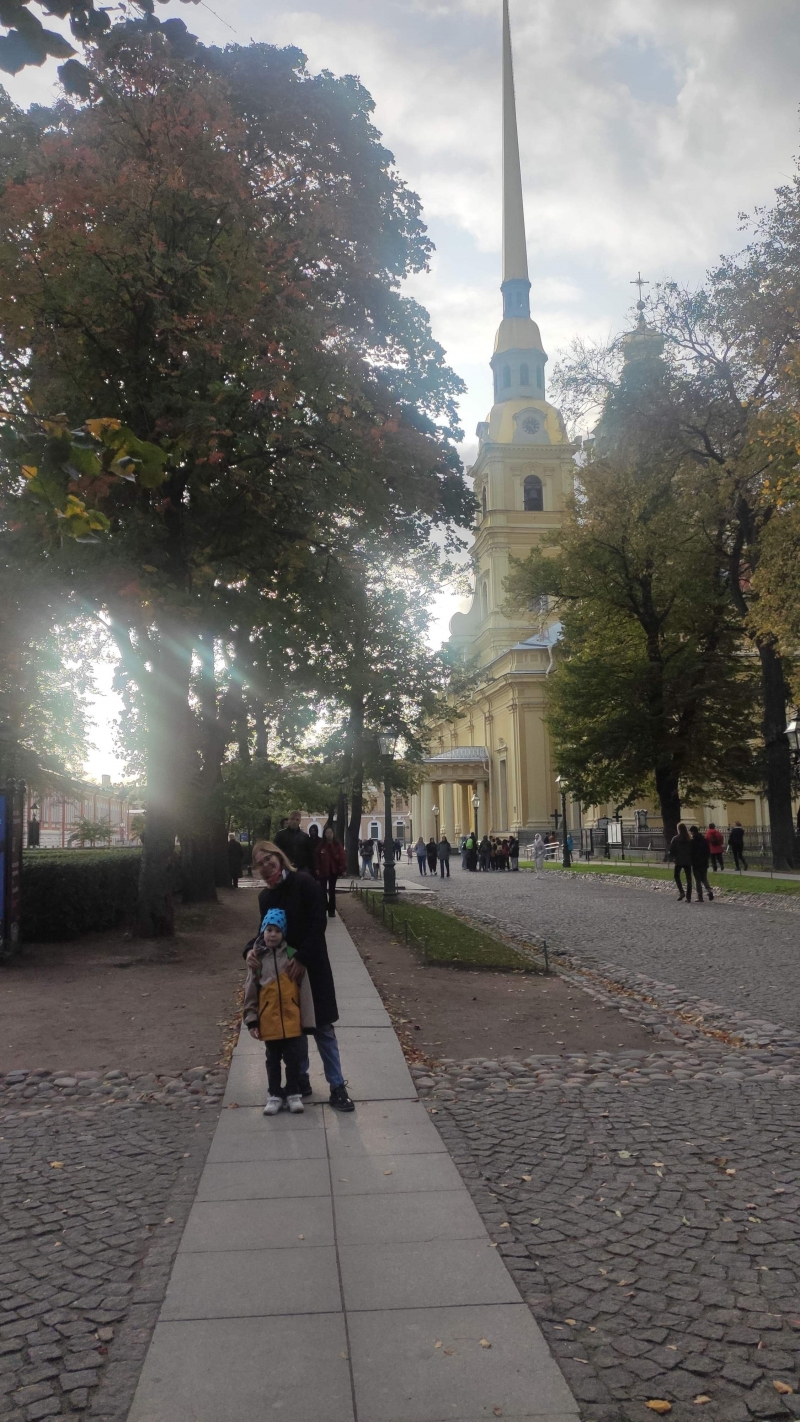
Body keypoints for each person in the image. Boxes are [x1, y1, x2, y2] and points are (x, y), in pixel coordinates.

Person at [246, 841, 354, 1112]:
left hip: (312, 965)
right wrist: (249, 949)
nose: (266, 865)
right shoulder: (265, 897)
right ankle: (301, 1079)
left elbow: (318, 923)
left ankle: (337, 1086)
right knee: (296, 1029)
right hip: (284, 974)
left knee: (323, 1028)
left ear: (278, 856)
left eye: (268, 858)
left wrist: (303, 957)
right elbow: (265, 932)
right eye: (260, 863)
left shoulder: (305, 883)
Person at [243, 907, 313, 1115]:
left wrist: (306, 1019)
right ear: (262, 931)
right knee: (272, 1060)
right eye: (269, 930)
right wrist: (252, 1020)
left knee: (293, 1060)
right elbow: (250, 991)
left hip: (292, 1020)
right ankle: (274, 1094)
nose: (272, 934)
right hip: (269, 1020)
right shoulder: (257, 960)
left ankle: (293, 1093)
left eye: (277, 931)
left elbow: (304, 990)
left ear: (283, 934)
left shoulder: (292, 956)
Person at [316, 825, 346, 919]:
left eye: (331, 833)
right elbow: (316, 857)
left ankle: (332, 910)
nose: (329, 835)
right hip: (323, 871)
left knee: (332, 891)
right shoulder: (321, 845)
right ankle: (324, 907)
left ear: (333, 834)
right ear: (324, 834)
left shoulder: (337, 845)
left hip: (333, 871)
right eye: (327, 833)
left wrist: (342, 868)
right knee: (323, 891)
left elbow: (342, 857)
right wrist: (317, 868)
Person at [275, 810, 314, 875]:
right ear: (288, 820)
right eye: (292, 819)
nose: (294, 821)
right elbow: (276, 852)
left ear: (300, 821)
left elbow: (310, 854)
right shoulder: (280, 835)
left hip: (302, 868)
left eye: (297, 820)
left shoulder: (305, 837)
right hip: (285, 868)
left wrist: (311, 869)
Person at [689, 825, 714, 903]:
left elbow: (691, 853)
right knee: (704, 878)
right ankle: (709, 891)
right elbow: (708, 851)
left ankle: (700, 896)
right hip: (704, 862)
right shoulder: (704, 840)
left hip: (696, 863)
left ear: (692, 832)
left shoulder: (692, 841)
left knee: (697, 880)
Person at [669, 822, 693, 901]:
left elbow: (671, 850)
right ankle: (688, 896)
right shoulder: (689, 839)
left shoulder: (675, 839)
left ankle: (681, 891)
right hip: (688, 860)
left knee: (676, 876)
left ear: (678, 829)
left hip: (679, 860)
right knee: (689, 878)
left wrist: (671, 857)